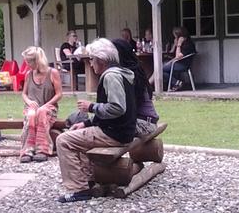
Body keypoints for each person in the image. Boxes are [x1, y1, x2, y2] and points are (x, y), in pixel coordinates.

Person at [55, 38, 136, 203]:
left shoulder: (110, 77)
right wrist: (86, 123)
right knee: (77, 133)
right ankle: (88, 180)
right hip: (120, 131)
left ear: (101, 60)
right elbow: (109, 112)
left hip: (114, 134)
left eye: (92, 59)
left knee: (63, 140)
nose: (90, 63)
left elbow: (117, 108)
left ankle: (78, 189)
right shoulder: (120, 73)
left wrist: (91, 107)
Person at [19, 46, 62, 163]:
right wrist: (29, 102)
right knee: (32, 114)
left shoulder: (52, 73)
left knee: (42, 112)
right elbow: (24, 94)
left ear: (37, 61)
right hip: (32, 107)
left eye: (28, 62)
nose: (27, 64)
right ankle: (27, 150)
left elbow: (59, 94)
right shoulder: (29, 74)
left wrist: (46, 105)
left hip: (48, 107)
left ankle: (42, 150)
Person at [113, 38, 159, 136]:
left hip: (145, 123)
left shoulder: (130, 75)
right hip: (143, 121)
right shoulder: (134, 70)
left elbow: (125, 108)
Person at [163, 25, 197, 91]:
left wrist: (178, 45)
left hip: (183, 65)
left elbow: (177, 57)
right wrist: (175, 44)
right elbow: (172, 52)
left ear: (180, 37)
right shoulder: (183, 43)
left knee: (160, 70)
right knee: (162, 68)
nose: (175, 39)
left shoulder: (188, 45)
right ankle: (176, 83)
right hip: (177, 63)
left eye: (175, 37)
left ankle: (176, 83)